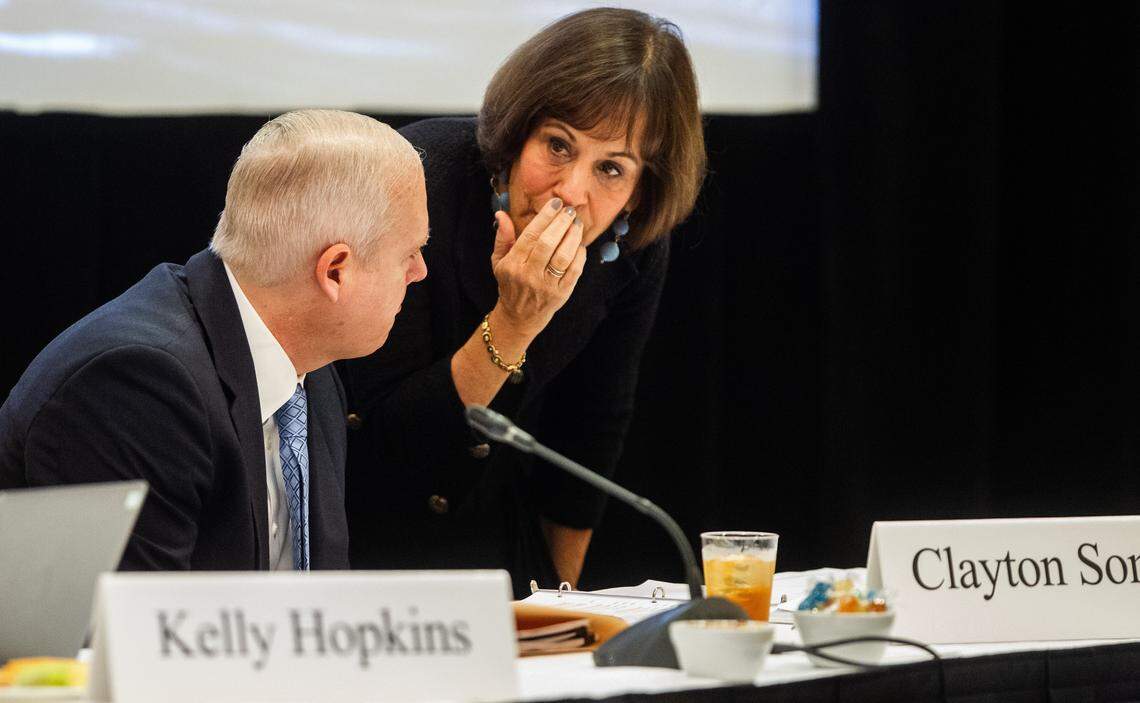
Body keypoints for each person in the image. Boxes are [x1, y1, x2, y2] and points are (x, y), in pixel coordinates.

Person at [340, 8, 705, 595]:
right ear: (517, 134)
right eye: (558, 145)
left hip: (495, 543)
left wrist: (561, 603)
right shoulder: (414, 182)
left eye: (611, 168)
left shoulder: (629, 248)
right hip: (357, 539)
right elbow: (386, 446)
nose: (571, 192)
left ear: (639, 193)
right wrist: (514, 322)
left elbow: (590, 432)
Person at [0, 109, 428, 571]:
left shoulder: (312, 371)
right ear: (335, 271)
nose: (420, 271)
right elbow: (144, 613)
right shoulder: (139, 384)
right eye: (409, 252)